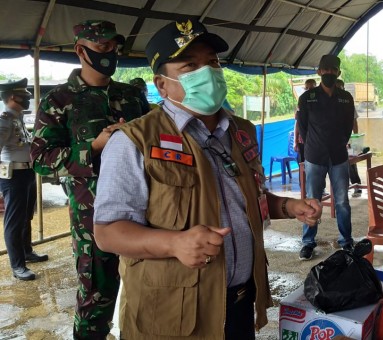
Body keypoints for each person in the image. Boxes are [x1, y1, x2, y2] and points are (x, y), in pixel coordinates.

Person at [92, 20, 322, 338]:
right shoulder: (134, 141)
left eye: (212, 62)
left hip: (241, 302)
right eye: (190, 66)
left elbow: (244, 196)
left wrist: (287, 206)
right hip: (174, 313)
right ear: (162, 85)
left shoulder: (241, 130)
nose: (208, 72)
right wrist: (174, 243)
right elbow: (108, 233)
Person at [30, 20, 149, 339]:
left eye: (113, 47)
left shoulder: (132, 95)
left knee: (149, 291)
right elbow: (41, 160)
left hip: (144, 210)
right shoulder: (60, 100)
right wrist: (93, 147)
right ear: (80, 50)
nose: (110, 53)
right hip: (92, 217)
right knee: (97, 298)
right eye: (101, 47)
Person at [297, 54, 355, 260]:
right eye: (326, 70)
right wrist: (314, 146)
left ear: (338, 72)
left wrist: (338, 142)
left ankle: (346, 241)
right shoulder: (307, 98)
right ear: (319, 72)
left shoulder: (345, 97)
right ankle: (308, 242)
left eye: (333, 70)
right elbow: (303, 128)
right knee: (312, 201)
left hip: (338, 156)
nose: (329, 73)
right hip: (315, 157)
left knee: (342, 201)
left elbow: (349, 126)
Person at [0, 78, 48, 281]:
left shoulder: (17, 117)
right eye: (24, 96)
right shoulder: (3, 119)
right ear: (12, 97)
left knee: (26, 216)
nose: (28, 98)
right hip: (13, 176)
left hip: (27, 173)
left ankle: (27, 252)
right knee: (14, 220)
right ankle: (18, 265)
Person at [336, 78, 362, 197]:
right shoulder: (328, 102)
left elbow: (354, 121)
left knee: (351, 162)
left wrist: (354, 137)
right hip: (334, 141)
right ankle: (343, 188)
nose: (339, 89)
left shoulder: (347, 101)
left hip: (348, 138)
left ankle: (356, 185)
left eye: (341, 87)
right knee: (338, 166)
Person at [294, 78, 316, 163]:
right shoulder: (302, 100)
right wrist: (295, 141)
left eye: (311, 88)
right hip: (302, 141)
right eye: (307, 88)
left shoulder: (321, 102)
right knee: (302, 164)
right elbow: (297, 123)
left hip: (315, 141)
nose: (309, 91)